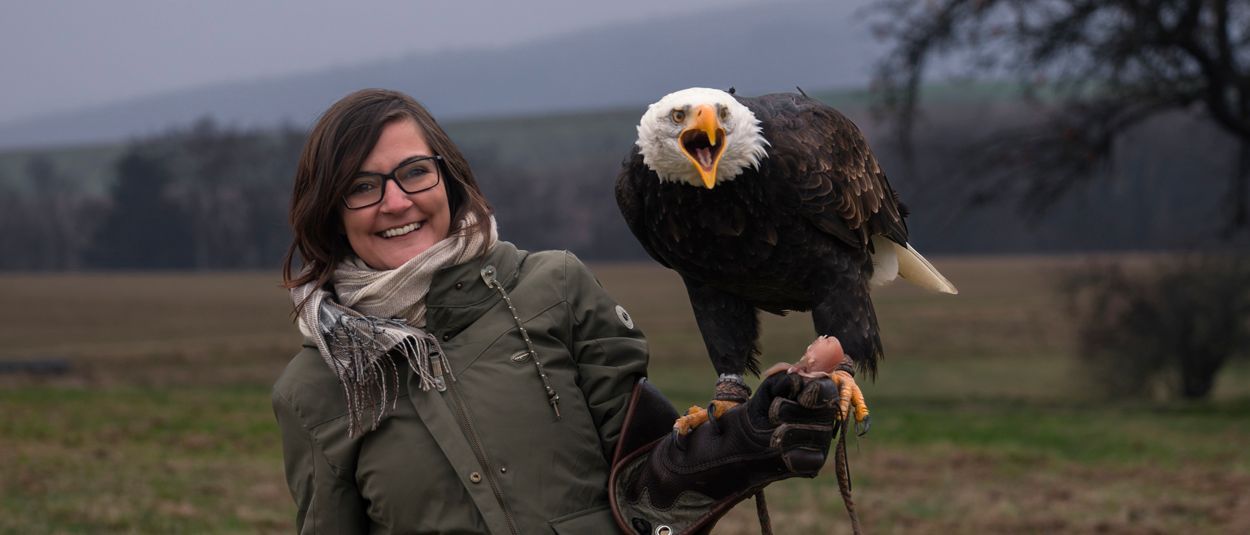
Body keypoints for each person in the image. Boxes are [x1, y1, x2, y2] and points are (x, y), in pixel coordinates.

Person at [273, 88, 842, 534]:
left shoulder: (554, 289)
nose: (396, 201)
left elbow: (647, 483)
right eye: (362, 186)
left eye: (414, 172)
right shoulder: (316, 387)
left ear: (446, 177)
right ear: (330, 209)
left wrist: (750, 436)